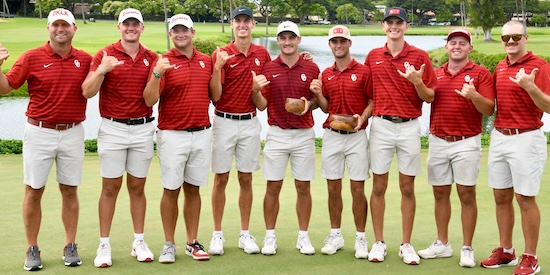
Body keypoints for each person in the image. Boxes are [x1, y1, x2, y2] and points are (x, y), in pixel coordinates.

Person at [0, 8, 91, 271]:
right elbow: (5, 88)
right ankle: (32, 248)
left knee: (69, 189)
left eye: (65, 25)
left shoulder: (85, 59)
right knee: (34, 190)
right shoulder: (31, 57)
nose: (60, 29)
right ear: (48, 29)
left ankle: (70, 245)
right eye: (55, 25)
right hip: (39, 131)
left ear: (74, 28)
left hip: (73, 131)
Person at [81, 8, 158, 267]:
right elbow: (87, 92)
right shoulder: (105, 54)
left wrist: (157, 74)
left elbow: (151, 100)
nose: (131, 28)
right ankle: (104, 244)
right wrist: (102, 70)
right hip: (112, 128)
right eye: (126, 24)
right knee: (110, 188)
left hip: (142, 128)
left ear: (142, 27)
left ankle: (138, 241)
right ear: (119, 27)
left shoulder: (152, 58)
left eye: (135, 24)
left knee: (137, 187)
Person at [363, 7, 437, 265]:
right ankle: (379, 242)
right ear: (383, 26)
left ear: (406, 26)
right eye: (390, 22)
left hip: (409, 126)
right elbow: (367, 94)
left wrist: (417, 81)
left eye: (399, 22)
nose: (394, 26)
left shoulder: (419, 56)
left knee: (407, 187)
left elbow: (430, 96)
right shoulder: (373, 56)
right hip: (381, 125)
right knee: (379, 186)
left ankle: (406, 244)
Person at [416, 29, 495, 268]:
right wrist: (418, 81)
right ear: (447, 47)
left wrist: (473, 96)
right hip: (438, 141)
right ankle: (442, 243)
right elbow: (424, 97)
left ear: (470, 48)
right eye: (453, 43)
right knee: (440, 193)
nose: (457, 46)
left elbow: (489, 110)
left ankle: (467, 248)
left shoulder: (480, 73)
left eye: (462, 43)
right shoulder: (435, 74)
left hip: (467, 141)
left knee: (466, 194)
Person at [480, 20, 550, 275]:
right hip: (500, 136)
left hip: (526, 138)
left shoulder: (539, 66)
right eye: (506, 37)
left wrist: (531, 87)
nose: (510, 42)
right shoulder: (500, 66)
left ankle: (531, 257)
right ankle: (506, 251)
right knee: (501, 196)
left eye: (515, 37)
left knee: (525, 198)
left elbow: (549, 106)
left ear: (526, 38)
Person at [143, 14, 211, 263]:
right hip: (172, 135)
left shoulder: (206, 61)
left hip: (202, 133)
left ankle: (192, 242)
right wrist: (157, 74)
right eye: (175, 31)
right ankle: (168, 244)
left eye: (185, 30)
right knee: (171, 189)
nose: (180, 34)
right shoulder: (163, 62)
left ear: (193, 33)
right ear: (170, 35)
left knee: (193, 189)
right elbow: (149, 100)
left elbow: (214, 94)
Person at [251, 21, 319, 256]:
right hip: (277, 133)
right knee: (273, 186)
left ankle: (303, 236)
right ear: (278, 41)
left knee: (303, 186)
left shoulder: (311, 67)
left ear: (298, 40)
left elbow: (317, 100)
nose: (287, 42)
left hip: (303, 133)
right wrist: (255, 91)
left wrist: (308, 104)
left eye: (292, 38)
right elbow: (262, 106)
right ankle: (270, 236)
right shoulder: (269, 68)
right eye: (283, 38)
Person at [207, 6, 271, 255]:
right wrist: (217, 68)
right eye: (238, 21)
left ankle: (245, 233)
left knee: (246, 178)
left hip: (250, 122)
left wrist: (305, 57)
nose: (242, 24)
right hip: (223, 121)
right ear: (232, 25)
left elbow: (262, 104)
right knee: (220, 178)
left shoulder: (262, 54)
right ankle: (217, 235)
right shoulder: (221, 53)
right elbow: (215, 96)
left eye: (246, 20)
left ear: (253, 24)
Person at [309, 25, 373, 258]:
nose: (338, 45)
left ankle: (361, 238)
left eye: (342, 41)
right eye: (334, 42)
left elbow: (372, 101)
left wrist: (362, 118)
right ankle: (335, 235)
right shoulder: (326, 74)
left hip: (356, 136)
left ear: (349, 44)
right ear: (330, 45)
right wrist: (317, 94)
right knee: (333, 187)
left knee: (358, 188)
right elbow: (326, 108)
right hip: (332, 136)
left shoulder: (364, 71)